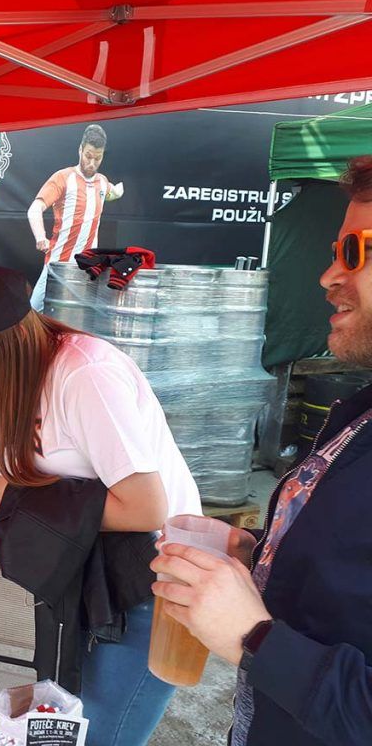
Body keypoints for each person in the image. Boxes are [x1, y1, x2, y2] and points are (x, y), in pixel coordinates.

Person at [0, 265, 201, 746]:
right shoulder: (13, 380)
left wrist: (37, 511)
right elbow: (11, 485)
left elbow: (146, 508)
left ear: (9, 340)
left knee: (103, 734)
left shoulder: (86, 375)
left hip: (152, 582)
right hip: (86, 572)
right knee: (65, 721)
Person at [151, 156, 372, 746]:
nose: (328, 275)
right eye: (335, 250)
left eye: (355, 252)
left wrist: (257, 638)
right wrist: (265, 555)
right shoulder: (361, 409)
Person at [28, 124, 125, 310]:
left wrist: (118, 191)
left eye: (98, 158)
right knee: (35, 312)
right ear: (80, 150)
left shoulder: (102, 182)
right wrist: (40, 236)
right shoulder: (63, 178)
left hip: (86, 267)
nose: (92, 163)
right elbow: (35, 208)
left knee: (77, 317)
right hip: (58, 264)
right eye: (88, 156)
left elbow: (110, 193)